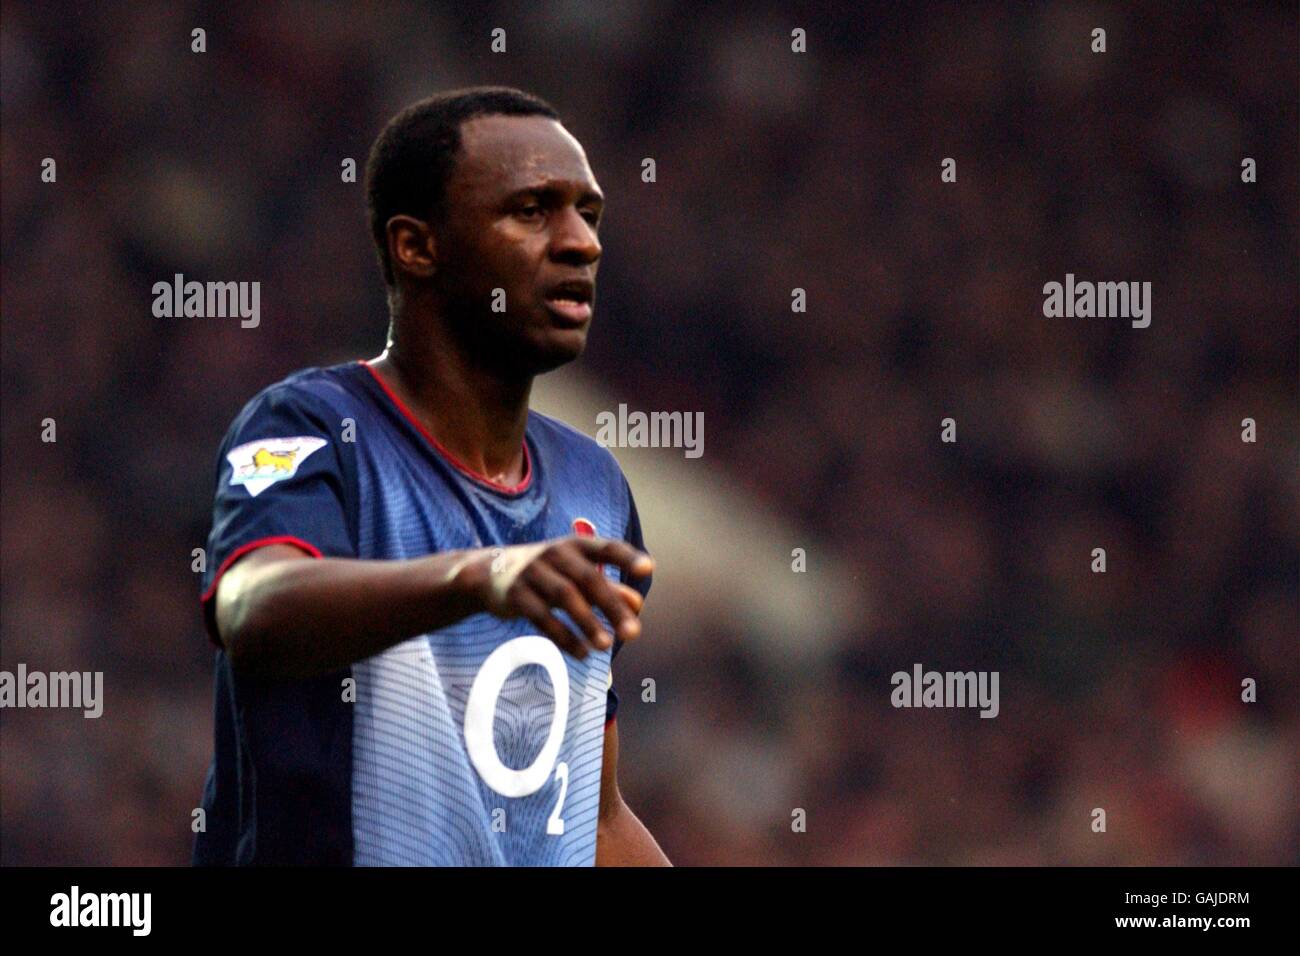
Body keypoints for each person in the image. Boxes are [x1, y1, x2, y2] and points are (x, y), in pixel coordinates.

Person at [193, 86, 670, 866]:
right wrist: (480, 577)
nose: (582, 242)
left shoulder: (596, 487)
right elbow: (252, 609)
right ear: (417, 246)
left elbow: (595, 813)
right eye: (532, 210)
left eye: (590, 213)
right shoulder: (313, 426)